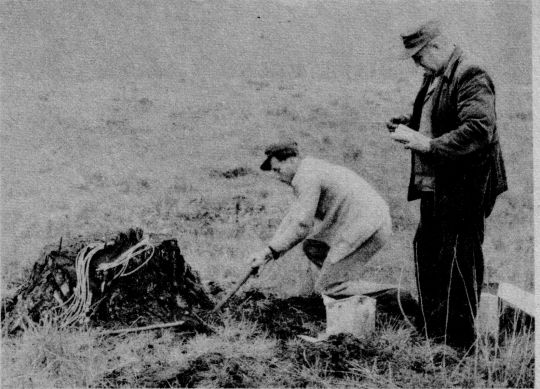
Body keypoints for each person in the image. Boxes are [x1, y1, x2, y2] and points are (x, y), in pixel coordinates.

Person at [386, 20, 507, 350]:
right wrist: (408, 125)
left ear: (437, 47)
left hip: (465, 188)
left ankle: (458, 343)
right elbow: (439, 118)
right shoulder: (435, 75)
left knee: (458, 261)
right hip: (436, 186)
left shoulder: (471, 74)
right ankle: (433, 331)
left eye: (418, 57)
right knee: (428, 253)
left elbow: (478, 129)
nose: (416, 64)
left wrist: (427, 145)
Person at [248, 141, 392, 296]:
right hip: (370, 223)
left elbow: (302, 226)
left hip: (369, 228)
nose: (277, 177)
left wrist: (268, 253)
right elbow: (293, 218)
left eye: (278, 170)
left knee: (328, 288)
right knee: (313, 247)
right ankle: (339, 286)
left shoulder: (307, 176)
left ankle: (395, 297)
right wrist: (266, 254)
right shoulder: (309, 169)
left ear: (291, 160)